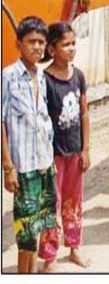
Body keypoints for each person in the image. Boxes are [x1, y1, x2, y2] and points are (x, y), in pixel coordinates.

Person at [2, 17, 56, 273]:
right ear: (18, 43)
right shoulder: (8, 76)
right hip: (23, 167)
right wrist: (7, 166)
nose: (37, 47)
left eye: (41, 42)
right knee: (25, 232)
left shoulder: (41, 76)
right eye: (31, 41)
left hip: (44, 164)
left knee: (39, 226)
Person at [39, 22, 90, 270]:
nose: (71, 49)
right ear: (52, 48)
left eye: (73, 44)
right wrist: (44, 157)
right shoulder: (44, 80)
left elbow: (84, 114)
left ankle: (74, 248)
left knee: (74, 201)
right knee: (52, 203)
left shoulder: (78, 76)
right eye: (65, 44)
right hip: (53, 154)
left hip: (75, 151)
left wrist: (86, 149)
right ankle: (49, 256)